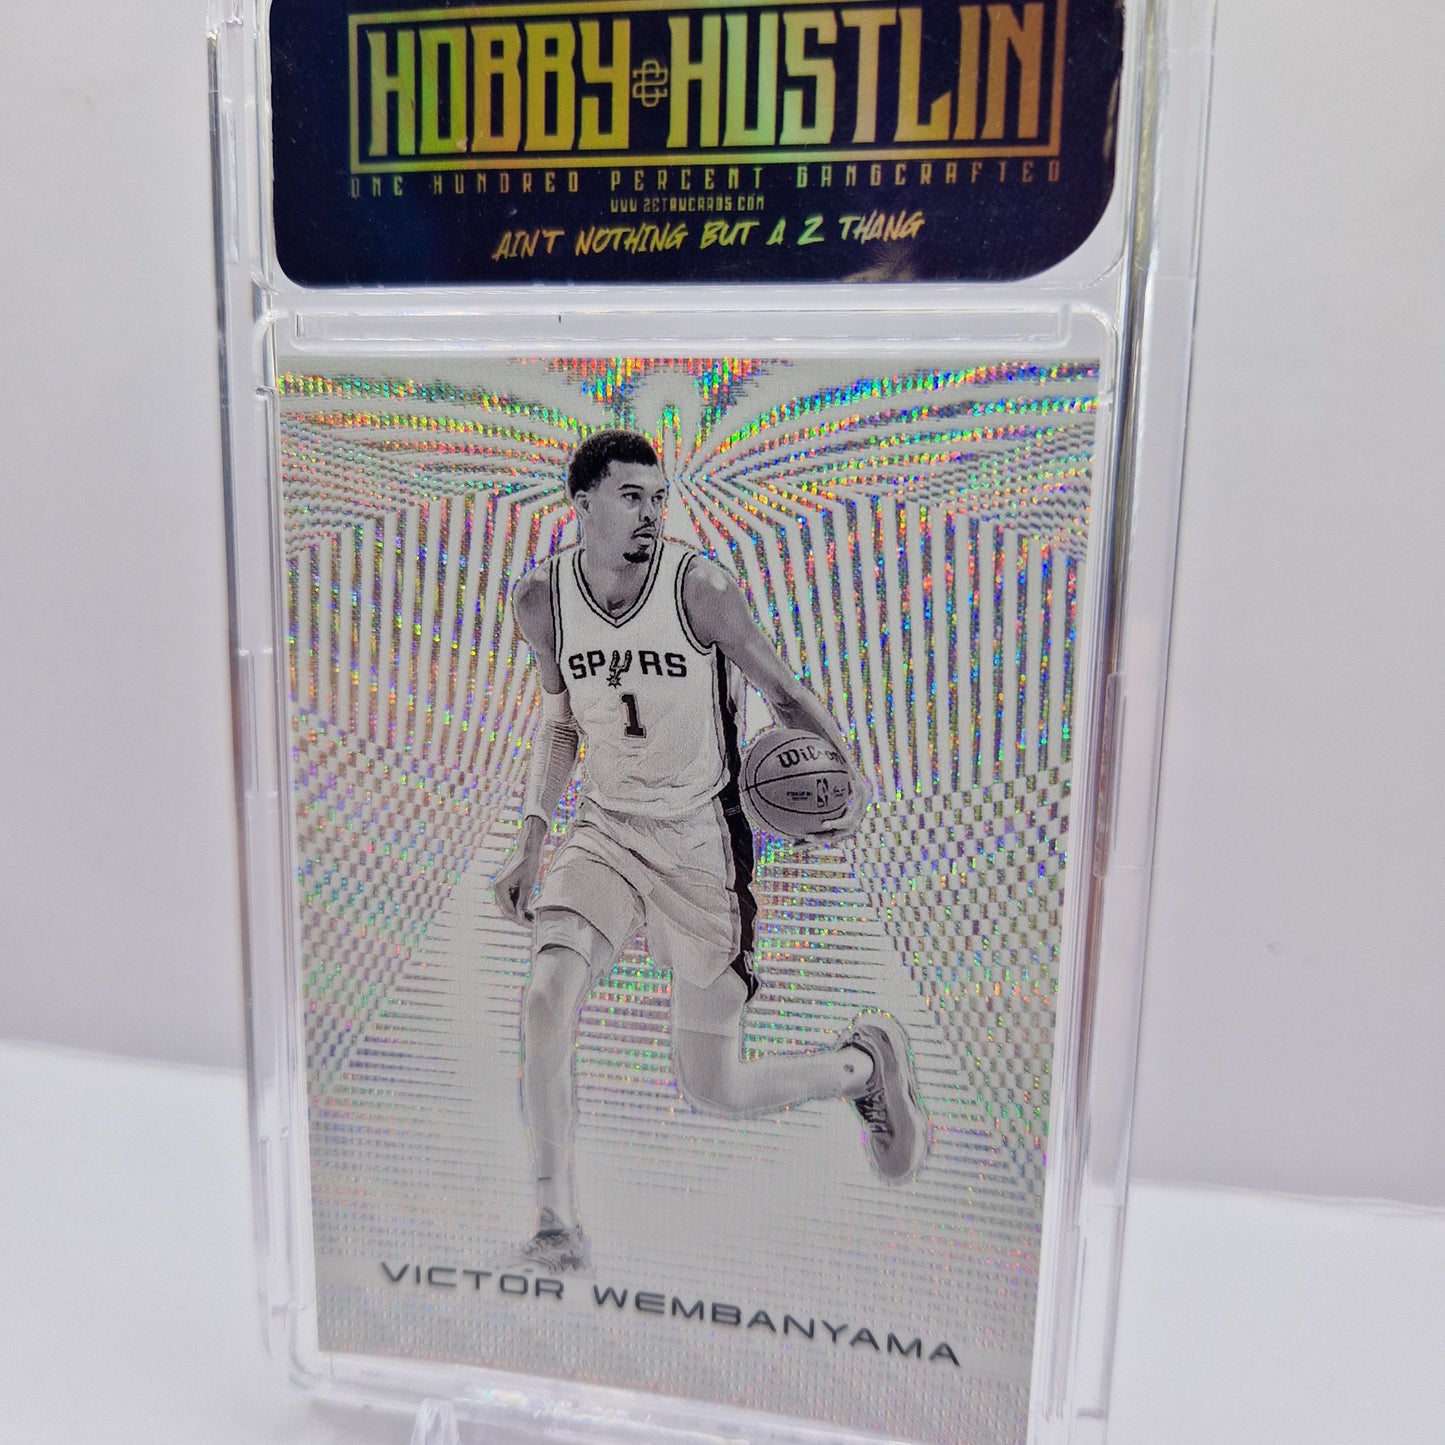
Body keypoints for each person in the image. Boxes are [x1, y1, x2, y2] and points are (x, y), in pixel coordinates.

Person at [492, 429, 927, 1274]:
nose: (650, 513)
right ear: (582, 503)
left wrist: (846, 781)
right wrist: (532, 834)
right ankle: (553, 1222)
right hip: (606, 829)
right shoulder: (541, 598)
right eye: (631, 497)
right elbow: (560, 720)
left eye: (659, 498)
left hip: (700, 839)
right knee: (545, 998)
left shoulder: (700, 589)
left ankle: (860, 1068)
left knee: (712, 1086)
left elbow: (783, 692)